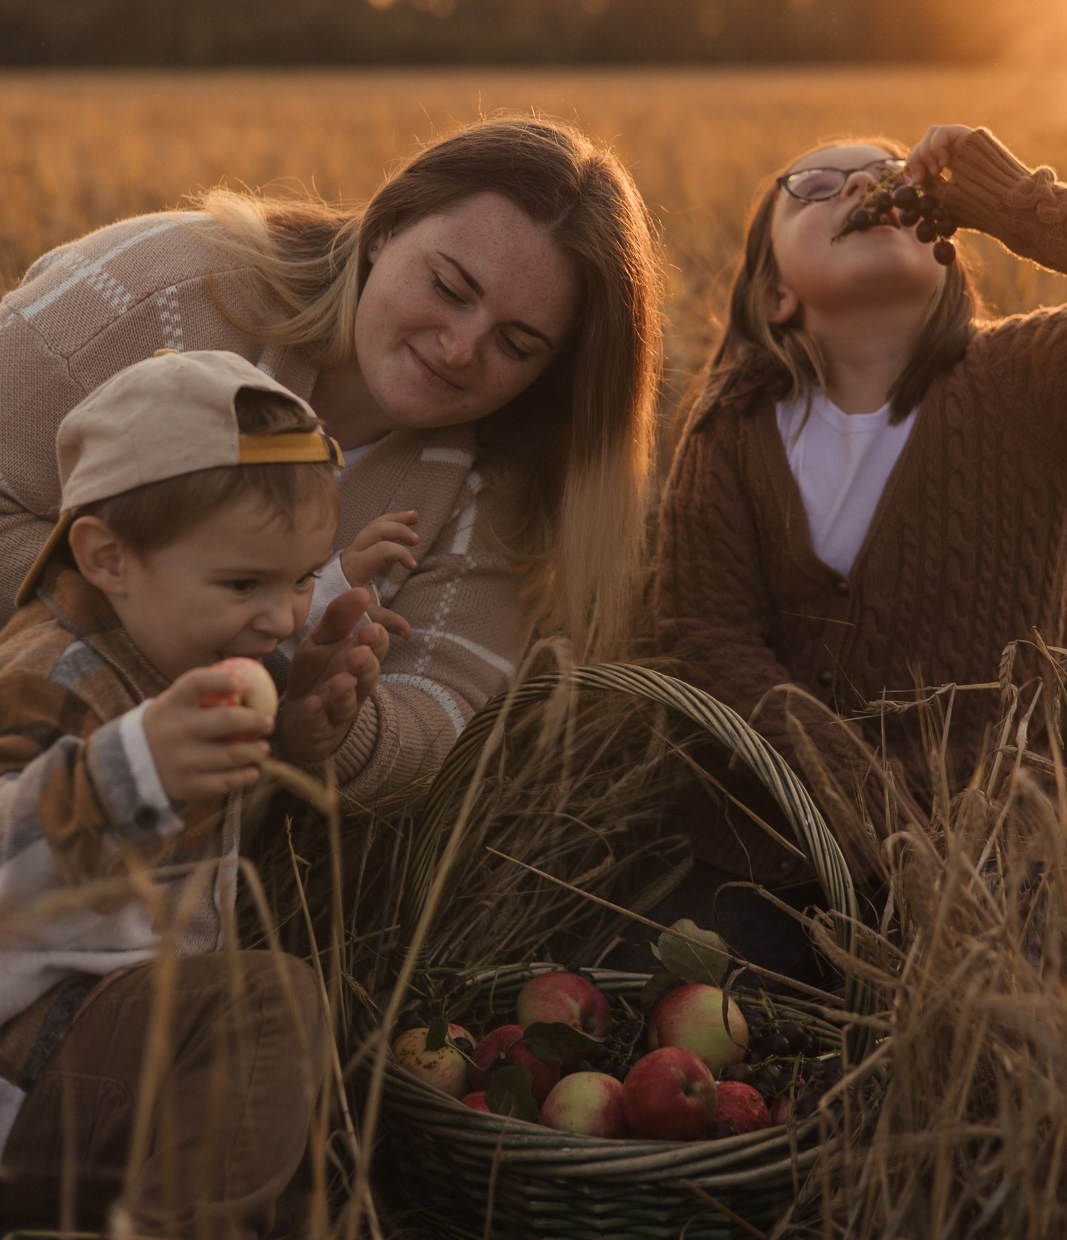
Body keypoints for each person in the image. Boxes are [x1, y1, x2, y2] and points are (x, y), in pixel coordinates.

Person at [0, 116, 663, 806]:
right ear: (384, 228)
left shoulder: (504, 476)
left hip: (189, 856)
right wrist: (217, 653)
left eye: (518, 345)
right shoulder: (164, 287)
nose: (460, 348)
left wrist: (329, 723)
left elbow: (440, 707)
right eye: (448, 288)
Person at [653, 125, 1067, 978]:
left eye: (887, 177)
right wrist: (867, 805)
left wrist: (1010, 203)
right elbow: (705, 632)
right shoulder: (731, 429)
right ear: (774, 296)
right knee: (652, 1010)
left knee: (1002, 1037)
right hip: (772, 845)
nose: (859, 188)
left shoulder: (1026, 378)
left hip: (999, 849)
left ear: (947, 258)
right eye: (812, 186)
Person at [0, 349, 396, 1236]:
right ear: (107, 557)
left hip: (106, 1065)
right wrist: (126, 770)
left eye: (299, 580)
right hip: (24, 1083)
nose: (285, 617)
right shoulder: (50, 677)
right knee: (263, 1006)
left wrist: (294, 724)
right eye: (243, 584)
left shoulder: (172, 653)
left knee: (300, 1125)